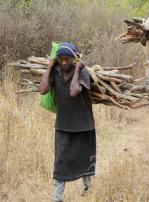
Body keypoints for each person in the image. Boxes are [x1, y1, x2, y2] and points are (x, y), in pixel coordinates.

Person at [39, 42, 96, 202]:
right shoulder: (55, 72)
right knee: (60, 163)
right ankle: (57, 198)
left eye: (68, 59)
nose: (64, 62)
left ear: (75, 59)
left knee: (85, 159)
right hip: (63, 125)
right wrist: (50, 67)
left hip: (84, 125)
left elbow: (74, 91)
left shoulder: (83, 72)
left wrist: (77, 69)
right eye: (61, 59)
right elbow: (43, 90)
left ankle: (88, 189)